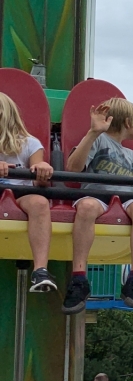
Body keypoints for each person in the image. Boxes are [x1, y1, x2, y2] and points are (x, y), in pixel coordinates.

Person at [63, 99, 133, 314]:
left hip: (125, 198)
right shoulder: (98, 140)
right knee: (86, 207)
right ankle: (79, 278)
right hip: (97, 195)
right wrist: (93, 133)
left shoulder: (131, 155)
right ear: (128, 123)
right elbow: (73, 168)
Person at [0, 93, 56, 291]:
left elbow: (39, 179)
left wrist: (42, 170)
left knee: (39, 202)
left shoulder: (29, 143)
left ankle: (40, 270)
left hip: (19, 193)